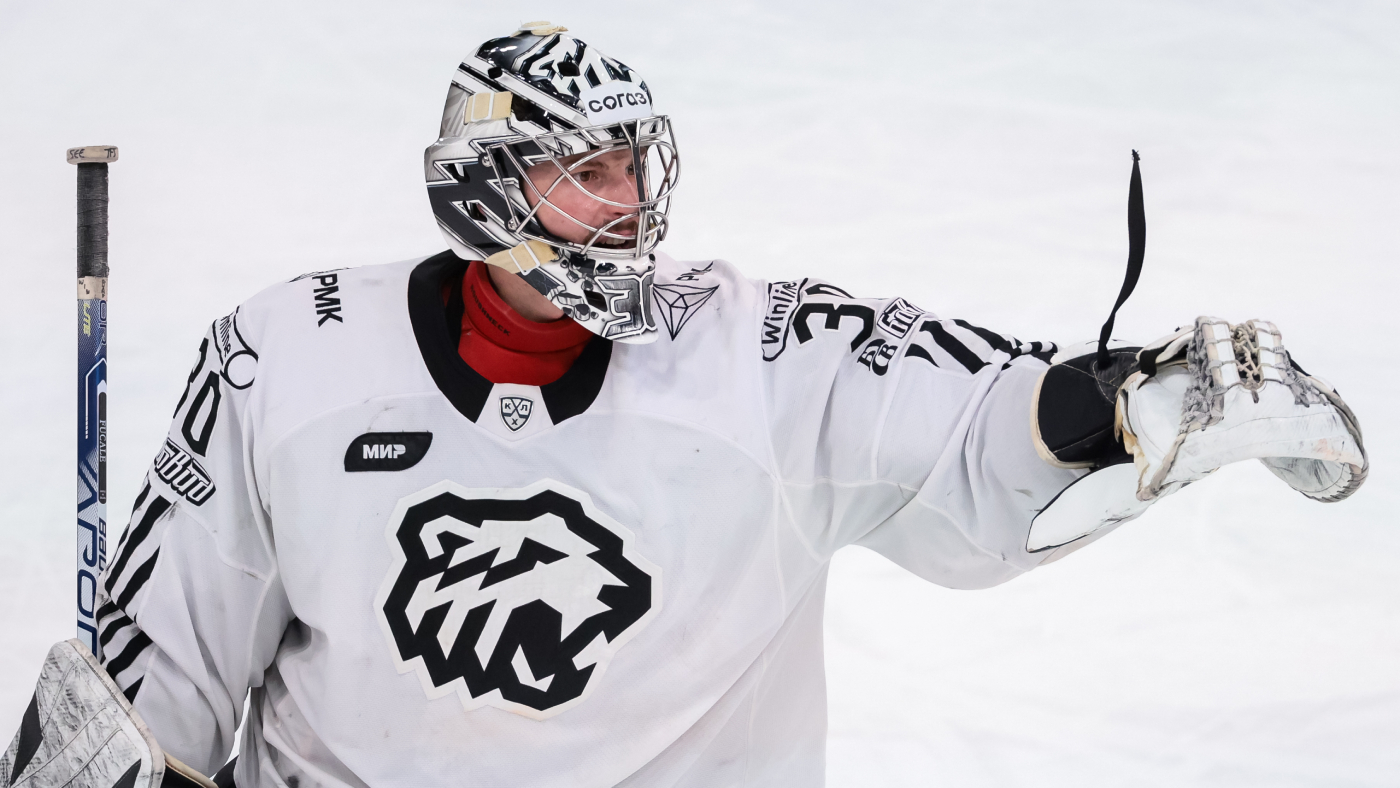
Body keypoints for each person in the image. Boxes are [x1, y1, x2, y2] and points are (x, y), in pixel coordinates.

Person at [1, 22, 1366, 788]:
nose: (632, 209)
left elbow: (968, 422)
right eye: (586, 175)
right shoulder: (287, 358)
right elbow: (165, 679)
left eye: (635, 170)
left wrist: (1114, 403)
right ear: (486, 188)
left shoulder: (753, 355)